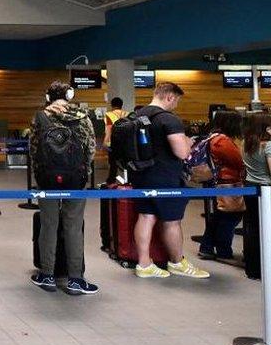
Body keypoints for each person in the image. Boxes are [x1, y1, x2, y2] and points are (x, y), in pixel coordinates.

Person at [129, 82, 209, 279]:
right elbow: (181, 152)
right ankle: (176, 262)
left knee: (146, 216)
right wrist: (188, 143)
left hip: (140, 174)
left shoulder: (136, 115)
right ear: (170, 97)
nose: (176, 105)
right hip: (166, 178)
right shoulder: (169, 119)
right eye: (177, 100)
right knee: (172, 221)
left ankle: (144, 264)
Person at [29, 81, 98, 295]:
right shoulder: (82, 117)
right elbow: (91, 149)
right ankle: (75, 278)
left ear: (48, 97)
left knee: (48, 225)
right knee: (73, 226)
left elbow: (33, 148)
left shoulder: (40, 117)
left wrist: (41, 172)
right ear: (69, 95)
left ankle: (47, 275)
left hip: (47, 179)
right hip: (76, 179)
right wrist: (83, 171)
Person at [198, 111, 245, 260]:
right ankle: (223, 250)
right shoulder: (222, 141)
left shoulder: (214, 137)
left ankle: (207, 247)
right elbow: (238, 161)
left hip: (221, 181)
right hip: (228, 182)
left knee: (220, 216)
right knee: (230, 216)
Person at [242, 113, 271, 280]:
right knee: (266, 229)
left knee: (252, 228)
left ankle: (252, 268)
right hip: (266, 189)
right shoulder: (267, 145)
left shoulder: (248, 144)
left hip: (250, 187)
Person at [104, 97, 127, 185]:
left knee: (113, 164)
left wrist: (105, 142)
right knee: (125, 162)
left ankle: (111, 180)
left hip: (113, 143)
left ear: (112, 105)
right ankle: (127, 180)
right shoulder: (127, 114)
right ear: (121, 105)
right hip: (125, 142)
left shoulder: (109, 114)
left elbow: (109, 128)